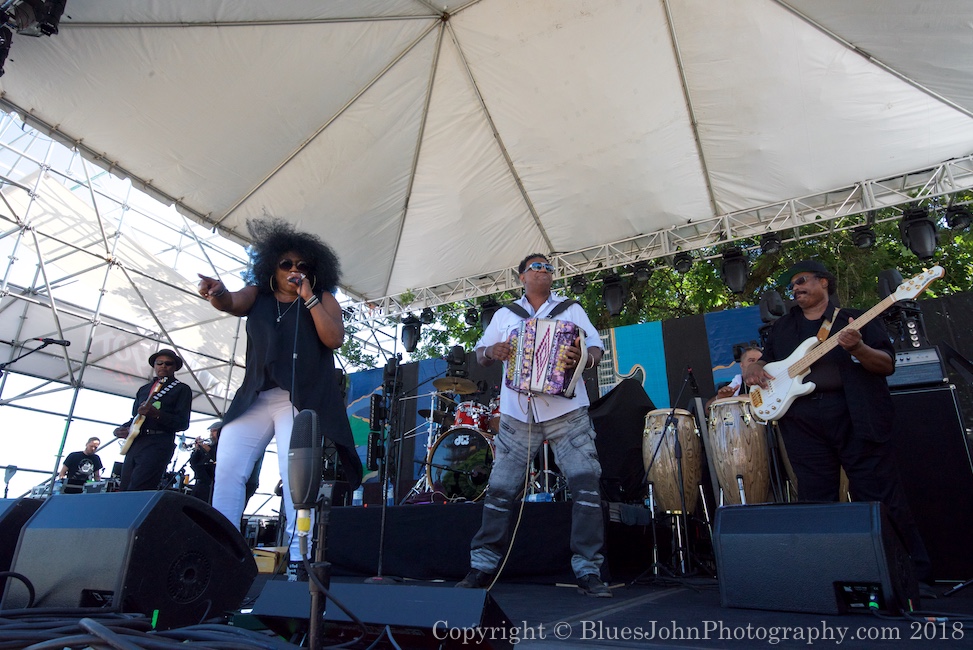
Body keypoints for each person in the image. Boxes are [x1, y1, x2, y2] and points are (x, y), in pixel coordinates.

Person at [743, 259, 931, 583]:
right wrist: (751, 371)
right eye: (792, 285)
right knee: (816, 500)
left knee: (879, 495)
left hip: (855, 415)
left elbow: (886, 365)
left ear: (824, 282)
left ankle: (911, 576)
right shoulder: (783, 327)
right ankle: (826, 577)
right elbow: (760, 363)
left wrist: (858, 346)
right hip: (802, 422)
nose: (796, 288)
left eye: (802, 281)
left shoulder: (856, 318)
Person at [197, 218, 363, 568]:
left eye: (303, 266)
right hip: (256, 397)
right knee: (228, 469)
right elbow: (231, 302)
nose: (294, 270)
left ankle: (300, 557)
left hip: (298, 399)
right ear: (272, 266)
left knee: (296, 478)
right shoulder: (257, 295)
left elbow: (334, 339)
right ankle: (220, 550)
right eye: (286, 263)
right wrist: (217, 293)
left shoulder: (323, 298)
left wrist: (309, 299)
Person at [456, 253, 610, 597]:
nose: (542, 270)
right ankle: (482, 565)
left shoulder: (570, 309)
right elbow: (480, 354)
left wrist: (582, 356)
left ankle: (588, 569)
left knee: (586, 484)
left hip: (567, 412)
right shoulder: (505, 315)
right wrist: (493, 350)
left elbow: (597, 348)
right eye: (535, 267)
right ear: (521, 277)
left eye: (547, 267)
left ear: (552, 277)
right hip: (517, 416)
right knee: (500, 489)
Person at [114, 349, 192, 491]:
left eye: (168, 363)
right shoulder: (144, 389)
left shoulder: (181, 389)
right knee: (124, 487)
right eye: (159, 363)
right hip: (136, 441)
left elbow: (182, 423)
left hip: (158, 442)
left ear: (175, 367)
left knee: (139, 488)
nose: (163, 366)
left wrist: (157, 414)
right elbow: (135, 417)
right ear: (154, 366)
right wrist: (123, 429)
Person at [705, 346, 762, 411]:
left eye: (759, 361)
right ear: (741, 365)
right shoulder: (729, 387)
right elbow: (707, 410)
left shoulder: (772, 384)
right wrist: (719, 398)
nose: (756, 364)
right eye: (751, 360)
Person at [189, 421, 221, 503]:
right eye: (211, 431)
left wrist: (209, 451)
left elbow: (218, 461)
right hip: (200, 483)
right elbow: (193, 463)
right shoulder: (209, 446)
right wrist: (197, 450)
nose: (211, 434)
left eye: (214, 431)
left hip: (212, 485)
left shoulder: (223, 447)